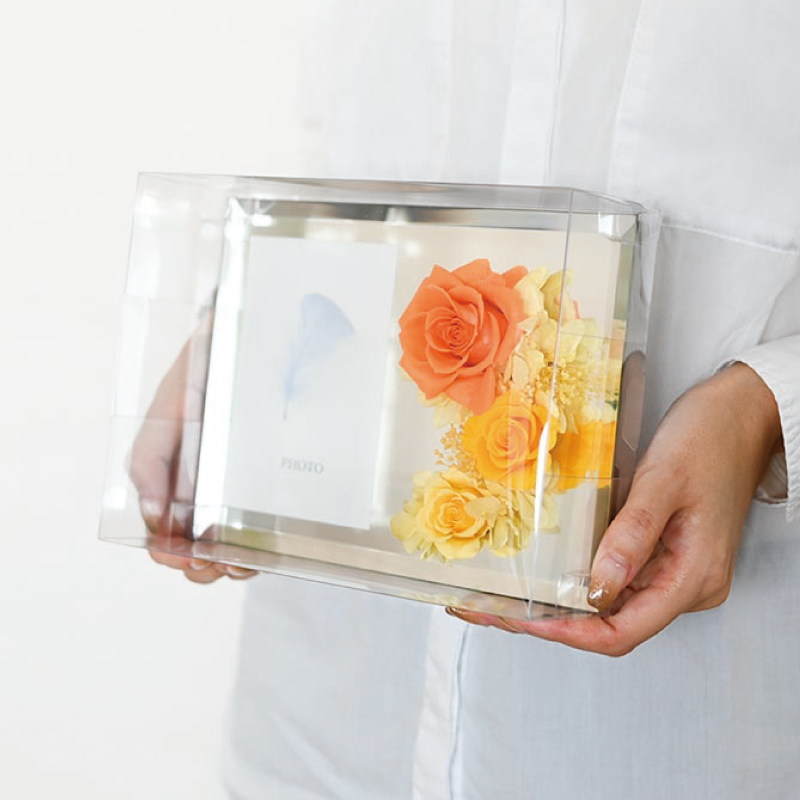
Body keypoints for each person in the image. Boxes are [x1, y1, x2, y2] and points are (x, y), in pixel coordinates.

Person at [142, 1, 800, 797]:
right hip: (322, 719)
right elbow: (341, 129)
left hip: (675, 732)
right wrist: (243, 324)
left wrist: (768, 407)